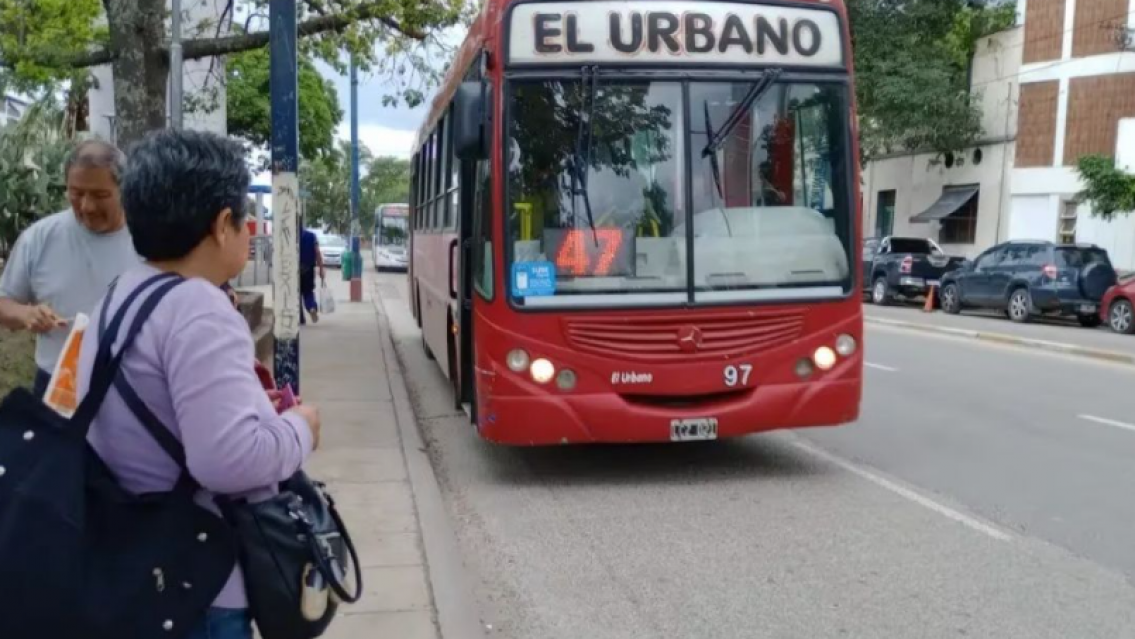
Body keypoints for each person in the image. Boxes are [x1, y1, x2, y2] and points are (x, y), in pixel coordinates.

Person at [77, 129, 321, 639]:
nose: (250, 231)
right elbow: (227, 461)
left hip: (134, 563)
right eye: (243, 219)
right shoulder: (199, 308)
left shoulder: (123, 292)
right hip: (199, 586)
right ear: (221, 224)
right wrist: (300, 429)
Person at [0, 139, 140, 397]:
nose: (87, 206)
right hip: (58, 385)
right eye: (76, 193)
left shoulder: (149, 239)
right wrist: (27, 314)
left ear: (125, 190)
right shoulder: (40, 237)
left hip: (128, 389)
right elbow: (4, 303)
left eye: (100, 195)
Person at [298, 221, 325, 324]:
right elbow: (317, 252)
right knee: (308, 292)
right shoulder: (311, 236)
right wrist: (321, 269)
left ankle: (300, 318)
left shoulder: (290, 237)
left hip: (295, 270)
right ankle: (312, 307)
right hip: (308, 269)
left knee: (297, 295)